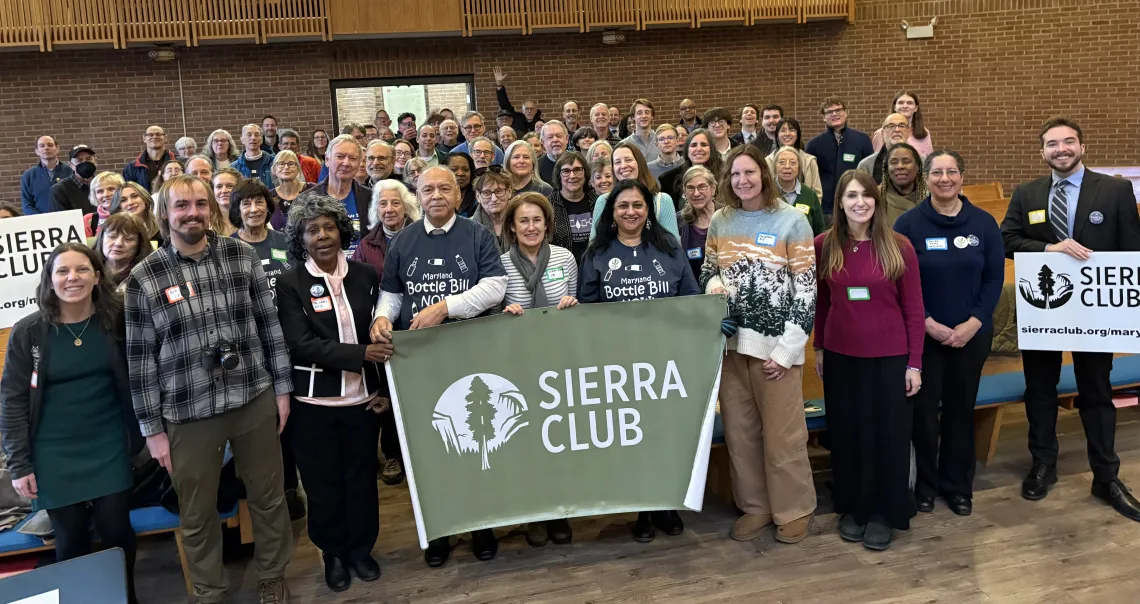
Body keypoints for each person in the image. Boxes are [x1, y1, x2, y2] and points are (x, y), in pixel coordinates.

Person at [124, 175, 294, 603]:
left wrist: (282, 388)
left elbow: (268, 324)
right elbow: (141, 359)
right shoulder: (145, 277)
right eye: (182, 206)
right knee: (196, 513)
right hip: (186, 411)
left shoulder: (240, 255)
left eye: (201, 204)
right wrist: (152, 429)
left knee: (269, 496)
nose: (193, 213)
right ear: (165, 214)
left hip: (252, 396)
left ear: (212, 209)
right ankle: (209, 591)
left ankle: (272, 576)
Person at [999, 117, 1140, 521]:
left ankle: (1107, 476)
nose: (1061, 149)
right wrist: (1050, 249)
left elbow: (1132, 250)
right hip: (1044, 307)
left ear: (1082, 146)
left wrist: (1129, 312)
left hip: (1097, 311)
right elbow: (1008, 239)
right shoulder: (1027, 193)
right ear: (1041, 152)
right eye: (1052, 144)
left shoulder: (1115, 190)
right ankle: (1043, 465)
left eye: (1068, 141)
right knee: (1039, 389)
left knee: (1096, 391)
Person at [369, 166, 507, 566]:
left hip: (469, 352)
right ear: (418, 196)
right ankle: (441, 529)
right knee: (432, 447)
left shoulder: (478, 234)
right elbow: (392, 293)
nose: (435, 195)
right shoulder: (404, 240)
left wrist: (445, 308)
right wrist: (381, 317)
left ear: (459, 196)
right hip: (422, 360)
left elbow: (495, 287)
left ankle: (482, 525)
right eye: (427, 189)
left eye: (444, 188)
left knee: (477, 439)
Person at [1, 243, 144, 604]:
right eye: (62, 271)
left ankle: (124, 597)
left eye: (81, 270)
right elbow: (12, 401)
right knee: (70, 538)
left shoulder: (117, 320)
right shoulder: (29, 332)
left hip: (109, 441)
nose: (72, 278)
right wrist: (20, 464)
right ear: (50, 280)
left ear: (98, 276)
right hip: (53, 451)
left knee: (116, 529)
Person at [700, 145, 817, 545]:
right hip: (733, 346)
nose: (742, 180)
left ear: (764, 176)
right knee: (741, 433)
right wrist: (715, 286)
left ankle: (794, 508)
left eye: (749, 172)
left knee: (783, 436)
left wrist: (786, 351)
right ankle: (756, 506)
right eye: (735, 174)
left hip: (776, 350)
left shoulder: (791, 221)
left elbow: (805, 290)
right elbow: (708, 270)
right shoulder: (721, 219)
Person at [275, 194, 387, 592]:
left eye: (328, 227)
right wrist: (362, 354)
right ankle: (334, 553)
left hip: (363, 401)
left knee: (360, 479)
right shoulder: (289, 283)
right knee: (322, 484)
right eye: (312, 230)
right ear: (300, 238)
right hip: (313, 404)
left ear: (341, 230)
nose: (322, 236)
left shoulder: (364, 275)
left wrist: (381, 386)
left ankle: (360, 548)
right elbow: (300, 343)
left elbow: (381, 330)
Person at [578, 179, 698, 541]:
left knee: (665, 436)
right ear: (611, 213)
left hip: (665, 361)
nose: (631, 212)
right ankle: (642, 509)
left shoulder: (670, 248)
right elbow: (587, 308)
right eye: (623, 206)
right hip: (619, 364)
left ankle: (667, 503)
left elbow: (690, 298)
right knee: (633, 439)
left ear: (649, 211)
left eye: (638, 206)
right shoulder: (596, 252)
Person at [813, 170, 924, 551]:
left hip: (890, 359)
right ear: (840, 203)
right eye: (851, 196)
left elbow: (913, 309)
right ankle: (854, 508)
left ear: (877, 201)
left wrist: (915, 363)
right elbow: (823, 303)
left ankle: (884, 512)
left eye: (867, 195)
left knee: (888, 438)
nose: (860, 202)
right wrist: (819, 348)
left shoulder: (898, 246)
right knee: (848, 435)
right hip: (842, 357)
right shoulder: (824, 245)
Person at [894, 149, 1003, 517]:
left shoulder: (984, 223)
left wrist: (973, 322)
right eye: (937, 172)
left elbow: (993, 279)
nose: (944, 178)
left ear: (961, 176)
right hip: (923, 337)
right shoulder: (908, 225)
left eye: (952, 171)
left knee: (960, 411)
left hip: (971, 336)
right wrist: (927, 322)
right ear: (926, 178)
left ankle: (958, 486)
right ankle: (925, 485)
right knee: (923, 415)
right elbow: (899, 281)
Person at [499, 191, 579, 549]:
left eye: (537, 220)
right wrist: (505, 316)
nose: (531, 227)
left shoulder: (565, 258)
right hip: (520, 364)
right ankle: (534, 512)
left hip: (558, 363)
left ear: (547, 225)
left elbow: (576, 303)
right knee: (527, 442)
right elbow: (493, 317)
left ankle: (560, 511)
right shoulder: (499, 265)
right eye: (523, 221)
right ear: (512, 229)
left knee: (558, 439)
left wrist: (571, 305)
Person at [352, 180, 419, 487]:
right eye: (383, 204)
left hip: (420, 323)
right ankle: (393, 454)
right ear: (375, 209)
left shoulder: (422, 234)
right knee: (389, 392)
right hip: (385, 328)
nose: (389, 209)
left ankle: (421, 452)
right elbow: (360, 289)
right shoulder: (367, 245)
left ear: (406, 206)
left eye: (395, 203)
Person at [299, 134, 374, 250]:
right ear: (327, 160)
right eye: (340, 156)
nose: (346, 163)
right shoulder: (306, 199)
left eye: (353, 158)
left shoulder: (371, 198)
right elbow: (298, 242)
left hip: (361, 265)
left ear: (359, 163)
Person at [590, 143, 678, 240]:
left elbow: (674, 247)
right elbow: (594, 247)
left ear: (639, 163)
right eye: (617, 162)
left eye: (628, 160)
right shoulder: (603, 201)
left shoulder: (663, 200)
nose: (623, 165)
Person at [805, 97, 874, 219]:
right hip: (825, 209)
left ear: (846, 113)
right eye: (829, 112)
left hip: (855, 205)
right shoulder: (814, 145)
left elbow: (869, 173)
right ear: (823, 117)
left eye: (838, 110)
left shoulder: (862, 140)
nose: (834, 114)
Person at [550, 151, 596, 263]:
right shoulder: (548, 205)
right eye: (565, 171)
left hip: (595, 267)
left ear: (585, 173)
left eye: (577, 170)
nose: (572, 176)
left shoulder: (598, 201)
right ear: (558, 175)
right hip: (562, 267)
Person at [657, 128, 724, 204]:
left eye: (704, 145)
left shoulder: (725, 175)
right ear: (687, 150)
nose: (699, 149)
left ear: (711, 149)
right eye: (694, 145)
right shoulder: (669, 180)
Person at [772, 146, 825, 235]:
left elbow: (819, 230)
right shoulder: (765, 191)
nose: (787, 166)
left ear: (799, 167)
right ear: (775, 166)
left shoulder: (810, 195)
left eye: (793, 163)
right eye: (782, 162)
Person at [676, 165, 717, 279]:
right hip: (692, 291)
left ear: (713, 189)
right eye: (690, 188)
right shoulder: (678, 221)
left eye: (702, 187)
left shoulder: (727, 216)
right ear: (684, 192)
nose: (696, 193)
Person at [93, 212, 153, 290]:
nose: (118, 243)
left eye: (128, 239)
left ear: (139, 244)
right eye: (112, 236)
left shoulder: (147, 273)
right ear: (101, 239)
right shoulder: (89, 265)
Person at [766, 117, 822, 199]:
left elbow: (817, 194)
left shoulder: (810, 161)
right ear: (777, 135)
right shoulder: (768, 162)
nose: (787, 133)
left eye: (792, 130)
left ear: (797, 135)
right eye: (783, 130)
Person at [21, 136, 73, 215]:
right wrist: (43, 220)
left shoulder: (70, 171)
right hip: (40, 224)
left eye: (50, 145)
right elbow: (27, 205)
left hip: (68, 220)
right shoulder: (28, 176)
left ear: (57, 148)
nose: (46, 148)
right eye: (42, 146)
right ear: (37, 151)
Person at [877, 143, 928, 226]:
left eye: (906, 161)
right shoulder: (875, 196)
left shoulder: (931, 197)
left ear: (918, 167)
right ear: (887, 168)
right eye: (894, 162)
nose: (900, 166)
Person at [872, 91, 934, 158]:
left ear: (916, 108)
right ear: (894, 107)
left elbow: (929, 161)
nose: (905, 106)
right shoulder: (881, 133)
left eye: (909, 103)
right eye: (901, 103)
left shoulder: (924, 133)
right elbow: (876, 161)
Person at [858, 114, 912, 184]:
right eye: (891, 126)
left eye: (902, 126)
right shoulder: (866, 165)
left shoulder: (921, 162)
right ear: (883, 133)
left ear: (909, 132)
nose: (897, 130)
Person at [268, 151, 315, 231]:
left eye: (291, 164)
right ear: (274, 170)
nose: (286, 167)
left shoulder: (312, 189)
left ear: (298, 169)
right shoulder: (269, 197)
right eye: (281, 164)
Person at [472, 163, 514, 253]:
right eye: (486, 193)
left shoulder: (522, 222)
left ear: (509, 192)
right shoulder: (467, 228)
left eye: (499, 191)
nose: (494, 199)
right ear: (478, 196)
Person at [123, 125, 177, 191]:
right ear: (144, 139)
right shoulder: (132, 167)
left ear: (165, 138)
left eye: (158, 134)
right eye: (150, 135)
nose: (154, 137)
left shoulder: (178, 162)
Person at [109, 181, 163, 246]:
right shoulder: (113, 233)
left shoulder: (163, 228)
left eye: (134, 196)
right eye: (123, 200)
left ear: (145, 199)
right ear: (119, 207)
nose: (130, 202)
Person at [49, 145, 98, 213]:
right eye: (79, 160)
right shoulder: (60, 190)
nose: (84, 163)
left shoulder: (104, 185)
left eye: (88, 159)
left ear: (95, 162)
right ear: (71, 165)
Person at [493, 67, 542, 135]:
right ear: (522, 111)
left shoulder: (541, 123)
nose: (530, 111)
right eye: (527, 109)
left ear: (536, 110)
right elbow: (504, 104)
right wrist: (499, 84)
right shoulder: (516, 118)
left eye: (532, 109)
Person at [233, 124, 276, 189]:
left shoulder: (274, 162)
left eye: (257, 135)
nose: (253, 138)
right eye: (249, 135)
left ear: (261, 139)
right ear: (242, 140)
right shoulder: (234, 167)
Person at [85, 171, 124, 236]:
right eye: (100, 191)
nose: (106, 194)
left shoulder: (133, 214)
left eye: (111, 189)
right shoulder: (89, 220)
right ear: (94, 195)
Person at [212, 168, 242, 236]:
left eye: (230, 186)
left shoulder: (250, 217)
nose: (224, 191)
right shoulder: (206, 222)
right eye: (219, 186)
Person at [447, 152, 478, 217]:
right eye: (454, 169)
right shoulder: (438, 198)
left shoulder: (479, 198)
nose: (460, 173)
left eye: (465, 169)